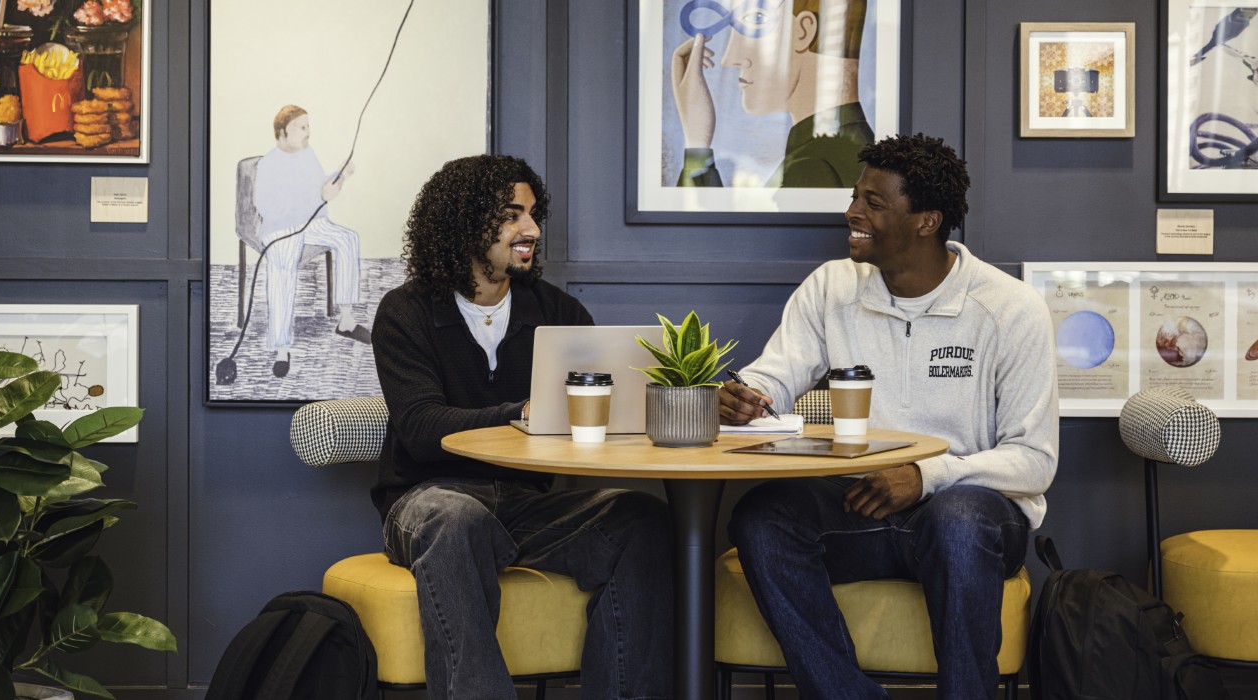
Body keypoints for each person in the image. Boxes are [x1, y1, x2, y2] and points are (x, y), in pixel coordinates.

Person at [719, 134, 1058, 699]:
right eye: (855, 197)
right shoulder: (832, 287)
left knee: (958, 518)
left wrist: (926, 475)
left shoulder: (1009, 308)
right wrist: (748, 396)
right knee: (762, 516)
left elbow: (1034, 460)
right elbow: (776, 374)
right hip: (864, 502)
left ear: (927, 221)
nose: (852, 212)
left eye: (873, 203)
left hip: (971, 513)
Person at [371, 154, 674, 700]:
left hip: (525, 507)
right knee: (456, 516)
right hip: (427, 502)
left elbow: (609, 413)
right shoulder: (406, 311)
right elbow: (420, 426)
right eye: (512, 216)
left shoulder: (558, 311)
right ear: (464, 224)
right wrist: (523, 415)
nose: (531, 229)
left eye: (533, 215)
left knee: (641, 518)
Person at [671, 0, 873, 188]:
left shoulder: (811, 165)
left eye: (756, 19)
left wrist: (697, 146)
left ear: (804, 30)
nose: (729, 59)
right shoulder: (850, 150)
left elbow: (698, 216)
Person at [253, 104, 370, 379]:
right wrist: (317, 197)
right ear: (283, 132)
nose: (308, 132)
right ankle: (281, 348)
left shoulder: (307, 154)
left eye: (308, 126)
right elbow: (267, 207)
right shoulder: (269, 164)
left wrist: (341, 175)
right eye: (301, 127)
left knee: (348, 239)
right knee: (283, 268)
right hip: (281, 229)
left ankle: (346, 320)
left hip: (313, 223)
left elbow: (320, 188)